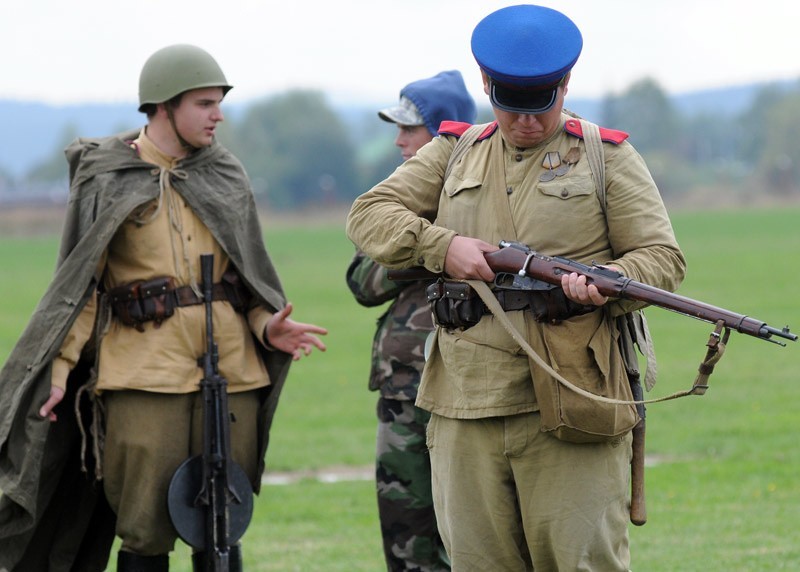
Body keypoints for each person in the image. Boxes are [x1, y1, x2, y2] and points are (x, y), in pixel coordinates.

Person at [346, 5, 686, 571]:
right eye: (511, 104)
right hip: (464, 402)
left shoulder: (607, 158)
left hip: (574, 396)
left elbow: (663, 258)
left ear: (565, 84)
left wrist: (611, 286)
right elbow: (370, 213)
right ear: (486, 85)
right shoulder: (453, 152)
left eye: (541, 103)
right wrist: (443, 247)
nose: (526, 122)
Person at [0, 44, 327, 571]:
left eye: (219, 102)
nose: (217, 115)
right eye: (204, 103)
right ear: (163, 107)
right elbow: (80, 287)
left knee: (222, 523)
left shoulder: (226, 174)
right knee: (145, 528)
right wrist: (58, 370)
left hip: (233, 373)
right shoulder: (107, 177)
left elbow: (248, 281)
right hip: (143, 377)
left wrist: (268, 329)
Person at [346, 70, 476, 571]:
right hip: (404, 390)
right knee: (409, 541)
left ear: (444, 132)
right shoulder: (397, 199)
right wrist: (433, 245)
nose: (398, 140)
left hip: (470, 387)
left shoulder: (489, 187)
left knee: (476, 536)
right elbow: (361, 282)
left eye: (410, 128)